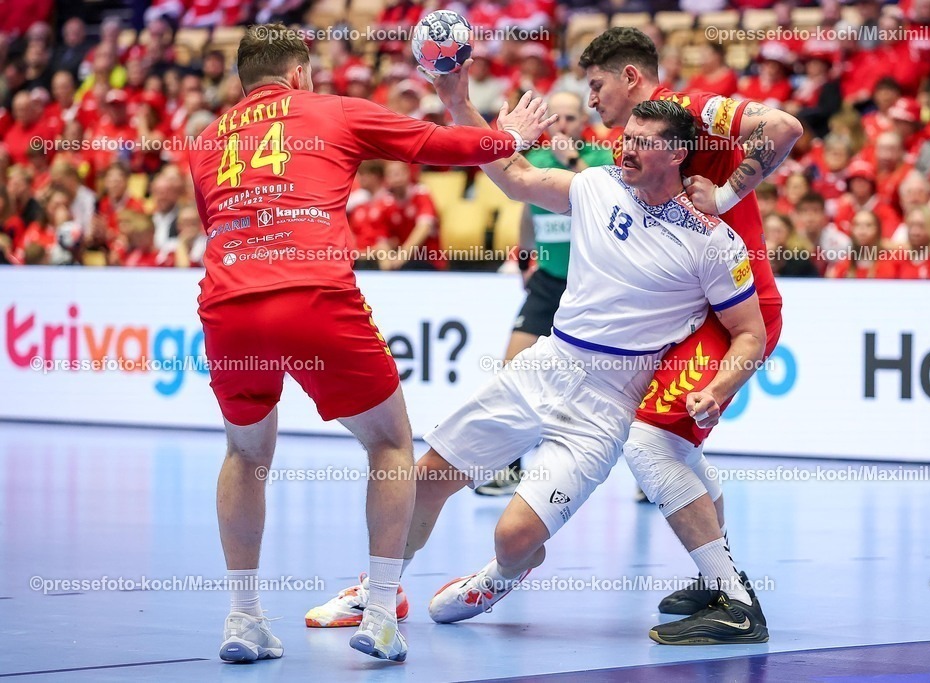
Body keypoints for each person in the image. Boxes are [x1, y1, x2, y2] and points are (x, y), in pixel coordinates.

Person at [309, 67, 769, 645]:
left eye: (642, 143)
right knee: (426, 479)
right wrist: (458, 100)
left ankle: (508, 569)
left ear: (676, 154)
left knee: (514, 535)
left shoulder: (712, 239)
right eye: (625, 139)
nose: (625, 150)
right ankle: (378, 592)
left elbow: (748, 333)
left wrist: (718, 388)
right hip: (545, 366)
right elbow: (516, 174)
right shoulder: (597, 186)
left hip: (605, 404)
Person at [188, 23, 556, 665]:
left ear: (241, 81)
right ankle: (382, 611)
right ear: (300, 73)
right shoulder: (334, 110)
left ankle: (243, 618)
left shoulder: (205, 142)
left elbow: (218, 221)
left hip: (228, 306)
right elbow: (433, 145)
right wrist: (512, 138)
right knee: (389, 443)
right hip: (312, 295)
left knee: (245, 454)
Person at [577, 27, 800, 636]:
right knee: (674, 445)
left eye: (597, 85)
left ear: (630, 77)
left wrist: (725, 195)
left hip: (737, 309)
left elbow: (783, 127)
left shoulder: (695, 113)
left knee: (648, 441)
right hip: (693, 312)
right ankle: (717, 580)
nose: (592, 100)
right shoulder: (633, 141)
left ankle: (736, 605)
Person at [475, 90, 614, 497]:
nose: (565, 125)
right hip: (549, 281)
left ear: (581, 122)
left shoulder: (601, 161)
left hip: (593, 287)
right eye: (560, 118)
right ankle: (510, 466)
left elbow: (610, 203)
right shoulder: (534, 164)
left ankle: (650, 476)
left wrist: (572, 159)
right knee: (512, 369)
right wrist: (525, 259)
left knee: (617, 383)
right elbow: (527, 211)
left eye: (572, 118)